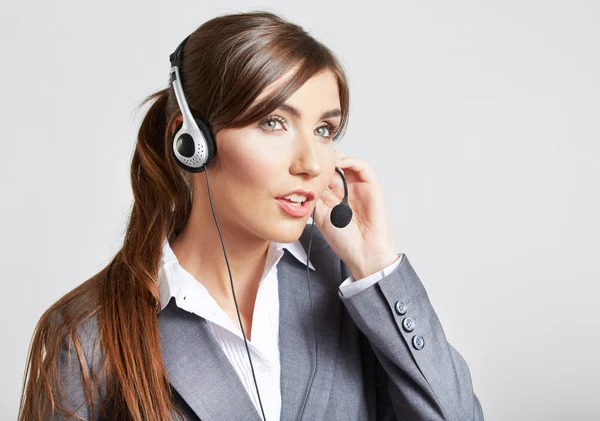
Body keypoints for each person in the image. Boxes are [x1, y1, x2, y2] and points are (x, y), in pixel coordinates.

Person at [17, 10, 484, 421]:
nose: (312, 163)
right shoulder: (89, 336)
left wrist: (377, 265)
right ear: (193, 142)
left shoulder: (353, 290)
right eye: (273, 122)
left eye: (325, 129)